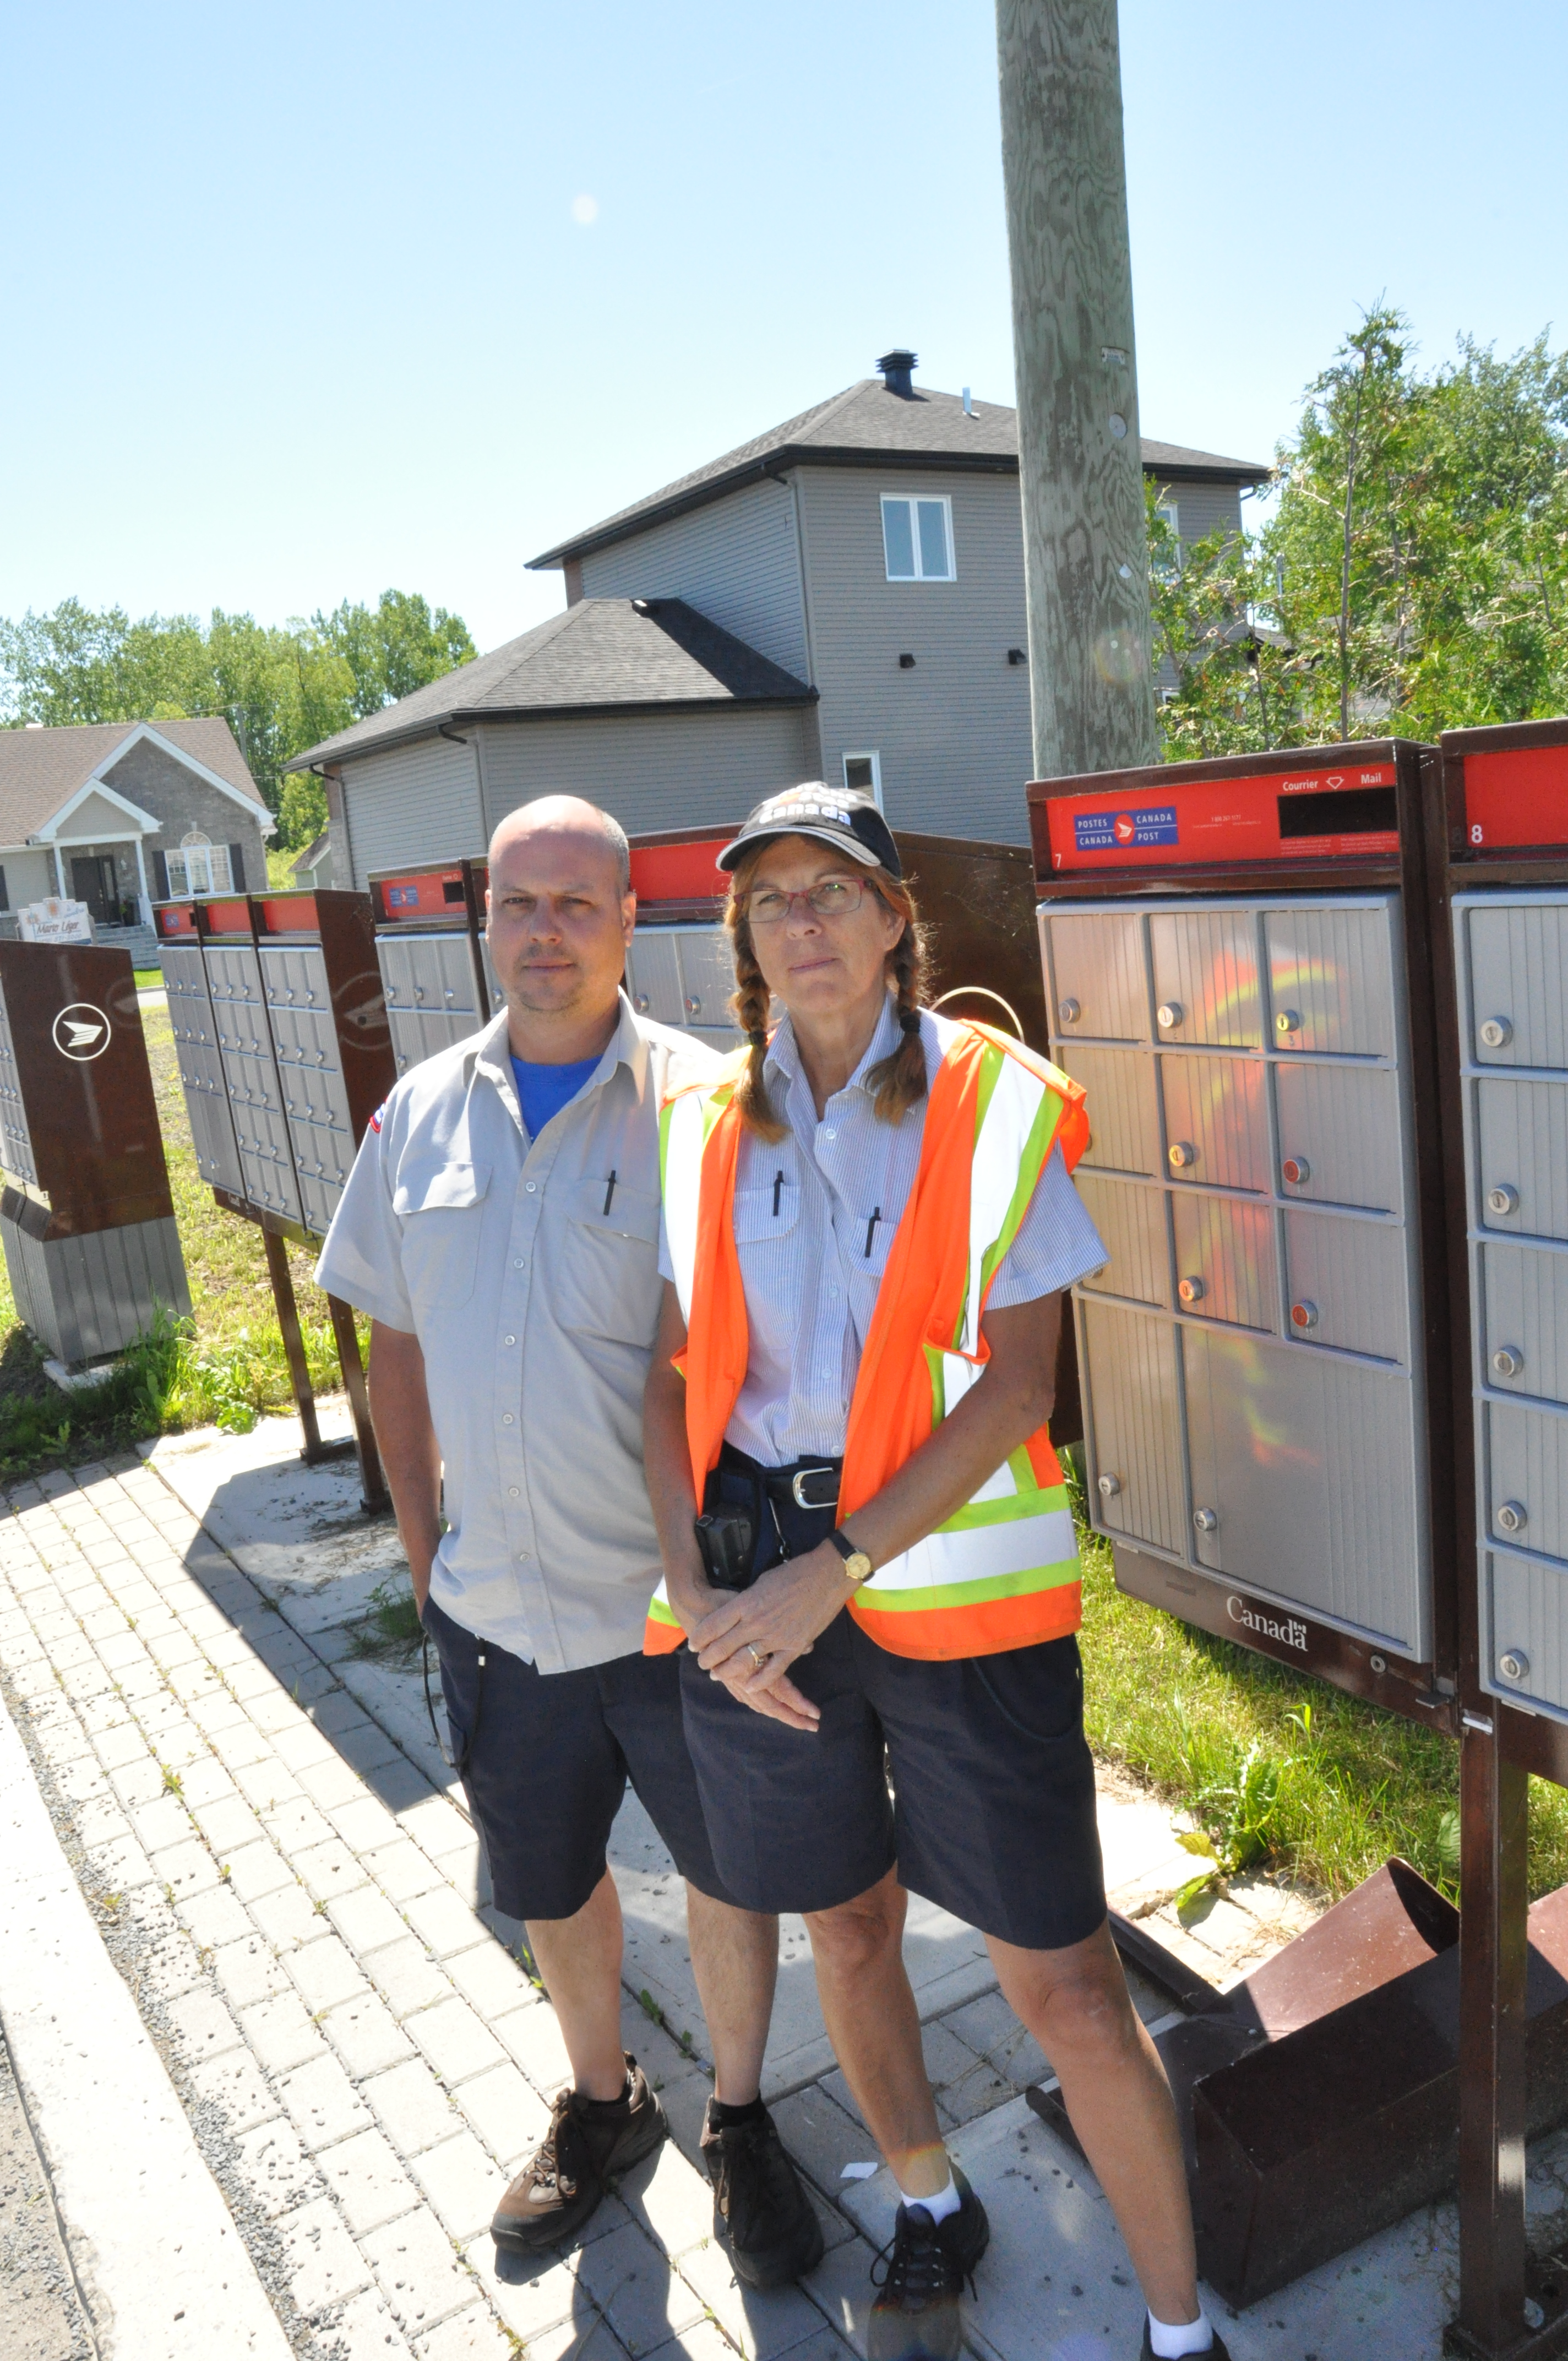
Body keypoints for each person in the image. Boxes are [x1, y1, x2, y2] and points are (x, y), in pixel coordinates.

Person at [641, 784, 1227, 2361]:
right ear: (745, 940)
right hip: (759, 1605)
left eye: (834, 889)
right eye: (771, 899)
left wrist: (835, 1564)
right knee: (842, 1928)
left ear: (900, 917)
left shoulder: (991, 1101)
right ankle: (924, 2200)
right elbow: (663, 1372)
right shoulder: (699, 1123)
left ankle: (1182, 2331)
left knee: (1070, 1989)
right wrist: (697, 1599)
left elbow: (1021, 1390)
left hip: (945, 1604)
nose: (804, 920)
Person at [315, 795, 823, 2288]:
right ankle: (605, 2105)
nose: (546, 933)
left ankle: (737, 2114)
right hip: (499, 1614)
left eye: (577, 905)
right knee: (549, 1884)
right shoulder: (416, 1116)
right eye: (520, 905)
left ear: (629, 921)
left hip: (679, 1614)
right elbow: (392, 1348)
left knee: (731, 1876)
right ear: (485, 921)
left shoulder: (707, 1109)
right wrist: (423, 1560)